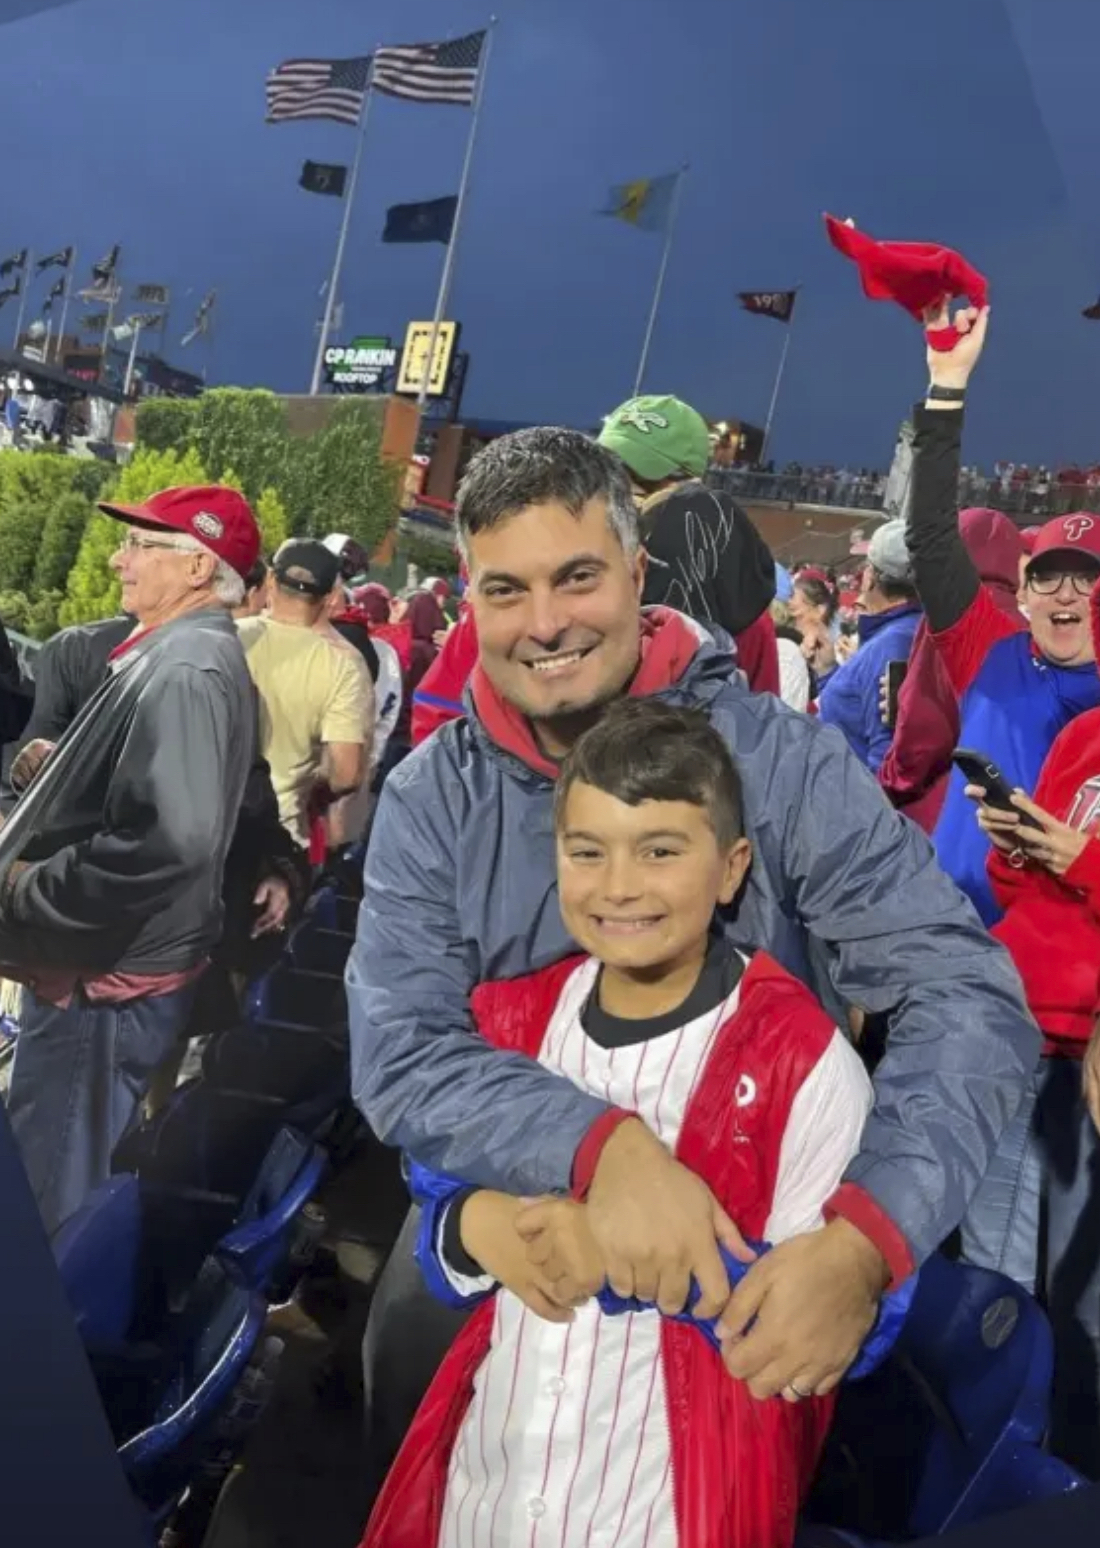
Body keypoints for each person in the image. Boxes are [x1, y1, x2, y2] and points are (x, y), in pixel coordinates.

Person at [347, 424, 1035, 1477]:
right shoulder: (432, 796)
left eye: (574, 579)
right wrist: (601, 1148)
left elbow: (965, 994)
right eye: (503, 591)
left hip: (738, 1254)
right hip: (502, 1215)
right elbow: (399, 1052)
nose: (543, 626)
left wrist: (865, 1241)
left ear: (634, 571)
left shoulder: (771, 760)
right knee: (400, 1379)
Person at [363, 700, 876, 1548]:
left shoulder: (802, 1064)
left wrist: (615, 1259)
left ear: (731, 867)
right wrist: (471, 1229)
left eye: (662, 851)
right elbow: (437, 1197)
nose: (620, 887)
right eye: (587, 852)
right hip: (488, 1488)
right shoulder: (507, 1021)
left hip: (671, 1505)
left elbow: (821, 1337)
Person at [2, 485, 260, 1232]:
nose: (120, 558)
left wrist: (26, 887)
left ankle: (30, 1342)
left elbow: (168, 842)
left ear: (197, 569)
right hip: (110, 964)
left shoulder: (185, 668)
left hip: (105, 977)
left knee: (48, 1192)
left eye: (143, 543)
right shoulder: (179, 654)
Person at [960, 583, 1100, 1475]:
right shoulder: (1084, 736)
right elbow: (1026, 892)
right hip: (1016, 1024)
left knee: (1079, 1302)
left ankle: (1071, 1480)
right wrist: (1018, 847)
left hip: (1086, 1054)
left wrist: (1082, 861)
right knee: (991, 1282)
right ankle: (980, 1466)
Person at [906, 304, 1100, 924]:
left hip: (1060, 967)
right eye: (1049, 576)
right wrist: (947, 386)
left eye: (1088, 579)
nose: (1066, 594)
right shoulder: (988, 649)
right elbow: (934, 540)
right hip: (947, 935)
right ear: (1025, 589)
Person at [597, 394, 780, 692]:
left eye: (637, 477)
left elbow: (761, 720)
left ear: (687, 482)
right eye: (610, 473)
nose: (619, 490)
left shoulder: (753, 622)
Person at [877, 509, 1024, 833]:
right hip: (1011, 809)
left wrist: (887, 784)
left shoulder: (951, 615)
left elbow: (924, 729)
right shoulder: (1029, 626)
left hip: (946, 806)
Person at [237, 539, 372, 852]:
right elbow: (346, 774)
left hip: (209, 824)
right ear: (328, 597)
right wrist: (317, 791)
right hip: (279, 836)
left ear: (270, 579)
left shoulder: (230, 636)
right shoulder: (344, 666)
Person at [817, 522, 922, 773]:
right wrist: (827, 670)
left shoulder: (895, 642)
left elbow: (884, 762)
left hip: (848, 801)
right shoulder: (900, 632)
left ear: (871, 576)